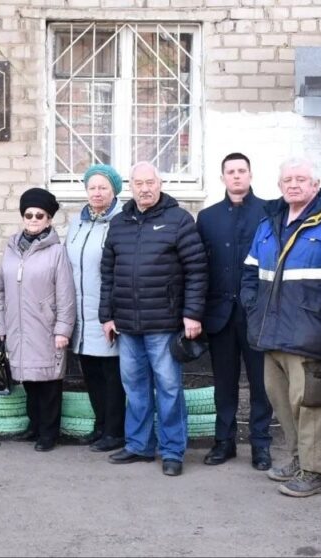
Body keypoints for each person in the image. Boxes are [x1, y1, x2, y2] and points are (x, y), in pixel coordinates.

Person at [241, 157, 321, 497]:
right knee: (282, 403)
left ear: (315, 185)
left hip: (310, 334)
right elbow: (250, 271)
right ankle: (297, 458)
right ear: (279, 186)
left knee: (310, 404)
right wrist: (253, 305)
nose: (294, 184)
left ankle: (316, 471)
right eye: (288, 179)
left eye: (301, 179)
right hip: (270, 331)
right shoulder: (269, 222)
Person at [99, 161, 207, 476]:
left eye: (150, 182)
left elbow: (197, 270)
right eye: (138, 183)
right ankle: (139, 445)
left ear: (160, 183)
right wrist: (106, 315)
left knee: (169, 388)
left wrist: (192, 313)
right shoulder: (118, 223)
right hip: (127, 324)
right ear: (130, 187)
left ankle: (173, 451)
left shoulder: (179, 220)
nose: (145, 189)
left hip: (165, 323)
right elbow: (108, 274)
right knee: (134, 387)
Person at [195, 153, 273, 470]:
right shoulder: (208, 217)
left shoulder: (269, 212)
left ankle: (261, 446)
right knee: (224, 383)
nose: (237, 176)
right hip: (220, 314)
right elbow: (199, 267)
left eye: (242, 171)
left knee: (260, 383)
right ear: (223, 177)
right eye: (231, 172)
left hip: (257, 314)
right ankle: (223, 442)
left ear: (251, 175)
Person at [0, 187, 76, 452]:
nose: (33, 219)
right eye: (28, 214)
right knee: (28, 381)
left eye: (40, 215)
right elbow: (0, 290)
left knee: (49, 383)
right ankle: (35, 426)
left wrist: (63, 329)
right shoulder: (10, 248)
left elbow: (66, 294)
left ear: (49, 219)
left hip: (45, 327)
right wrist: (2, 326)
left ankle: (49, 433)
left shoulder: (56, 252)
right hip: (18, 327)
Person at [65, 163, 126, 452]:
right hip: (80, 312)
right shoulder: (77, 223)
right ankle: (101, 425)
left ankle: (115, 431)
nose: (97, 192)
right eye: (92, 187)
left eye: (103, 187)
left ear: (114, 190)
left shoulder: (122, 222)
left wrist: (112, 312)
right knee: (90, 372)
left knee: (112, 375)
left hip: (107, 313)